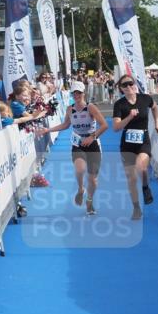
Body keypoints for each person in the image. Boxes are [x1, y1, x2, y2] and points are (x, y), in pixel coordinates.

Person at [37, 80, 107, 215]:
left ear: (83, 93)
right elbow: (65, 125)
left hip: (92, 143)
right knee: (80, 169)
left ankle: (90, 201)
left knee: (93, 179)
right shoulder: (70, 109)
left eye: (79, 93)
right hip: (78, 143)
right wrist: (48, 130)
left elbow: (104, 125)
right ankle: (81, 189)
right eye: (74, 93)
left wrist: (92, 137)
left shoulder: (90, 108)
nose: (76, 95)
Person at [112, 73, 158, 220]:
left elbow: (155, 108)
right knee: (132, 179)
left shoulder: (145, 98)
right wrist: (129, 117)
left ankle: (145, 187)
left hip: (143, 140)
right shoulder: (120, 104)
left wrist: (157, 123)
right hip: (127, 144)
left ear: (135, 84)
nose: (129, 87)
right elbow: (116, 127)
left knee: (141, 166)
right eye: (125, 85)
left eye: (130, 83)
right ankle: (136, 208)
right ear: (121, 89)